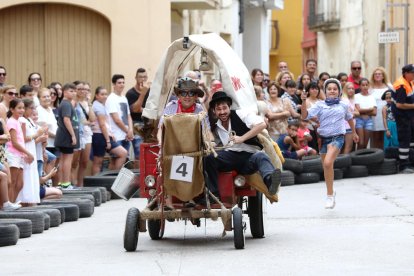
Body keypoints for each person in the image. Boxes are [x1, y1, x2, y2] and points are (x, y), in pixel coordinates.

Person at [205, 91, 281, 199]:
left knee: (261, 156)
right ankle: (213, 195)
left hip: (249, 156)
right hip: (230, 157)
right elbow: (216, 142)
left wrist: (242, 138)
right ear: (214, 110)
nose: (222, 112)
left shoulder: (240, 114)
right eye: (218, 109)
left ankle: (270, 181)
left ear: (229, 107)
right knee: (209, 158)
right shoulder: (215, 126)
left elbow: (262, 124)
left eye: (224, 108)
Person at [301, 78, 358, 209]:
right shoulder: (320, 105)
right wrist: (303, 101)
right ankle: (330, 194)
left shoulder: (343, 105)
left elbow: (350, 118)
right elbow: (304, 116)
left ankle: (329, 196)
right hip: (323, 139)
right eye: (329, 89)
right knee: (327, 167)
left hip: (337, 137)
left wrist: (354, 133)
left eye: (335, 89)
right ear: (325, 91)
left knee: (327, 163)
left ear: (339, 91)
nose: (332, 91)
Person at [157, 77, 207, 208]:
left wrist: (209, 143)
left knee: (195, 162)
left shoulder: (200, 110)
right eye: (183, 93)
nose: (187, 96)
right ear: (178, 95)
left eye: (191, 93)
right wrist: (161, 147)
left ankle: (189, 198)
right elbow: (161, 129)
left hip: (193, 149)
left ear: (196, 96)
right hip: (172, 148)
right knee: (165, 163)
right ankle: (168, 203)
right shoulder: (170, 108)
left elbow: (206, 131)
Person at [92, 86, 128, 175]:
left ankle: (111, 178)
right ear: (96, 96)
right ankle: (95, 182)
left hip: (106, 135)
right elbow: (102, 124)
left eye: (106, 94)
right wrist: (108, 140)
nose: (105, 96)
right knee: (98, 161)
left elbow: (106, 124)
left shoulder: (103, 106)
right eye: (102, 94)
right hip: (99, 136)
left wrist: (111, 134)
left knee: (122, 153)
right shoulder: (97, 106)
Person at [6, 99, 35, 202]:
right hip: (13, 154)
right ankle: (8, 204)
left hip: (20, 155)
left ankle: (12, 202)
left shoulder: (18, 121)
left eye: (23, 108)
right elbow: (14, 142)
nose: (22, 110)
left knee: (20, 184)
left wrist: (24, 153)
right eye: (19, 108)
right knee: (12, 181)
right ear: (12, 109)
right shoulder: (11, 122)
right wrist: (28, 153)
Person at [17, 99, 45, 206]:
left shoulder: (29, 120)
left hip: (32, 149)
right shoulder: (22, 120)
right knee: (26, 176)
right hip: (26, 150)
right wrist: (37, 134)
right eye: (31, 108)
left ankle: (31, 200)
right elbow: (23, 139)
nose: (33, 110)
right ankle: (24, 201)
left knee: (31, 176)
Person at [54, 83, 80, 189]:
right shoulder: (66, 104)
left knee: (64, 159)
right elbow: (66, 119)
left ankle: (62, 182)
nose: (73, 93)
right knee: (67, 159)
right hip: (66, 136)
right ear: (64, 92)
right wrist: (73, 135)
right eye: (71, 91)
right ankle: (65, 183)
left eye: (74, 91)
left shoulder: (68, 103)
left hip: (65, 136)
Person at [71, 81, 95, 187]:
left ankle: (80, 185)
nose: (83, 91)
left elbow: (93, 119)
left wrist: (89, 103)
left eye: (85, 89)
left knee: (85, 161)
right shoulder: (73, 102)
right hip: (77, 132)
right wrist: (86, 122)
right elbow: (74, 119)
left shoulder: (87, 103)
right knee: (74, 161)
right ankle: (73, 182)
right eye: (80, 89)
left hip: (87, 133)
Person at [391, 64, 414, 173]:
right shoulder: (401, 85)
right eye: (413, 72)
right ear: (406, 73)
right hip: (402, 117)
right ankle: (403, 165)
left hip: (409, 117)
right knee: (405, 140)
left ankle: (411, 162)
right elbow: (400, 105)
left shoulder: (409, 82)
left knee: (411, 140)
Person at [126, 68, 150, 163]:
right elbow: (135, 109)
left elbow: (153, 109)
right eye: (140, 77)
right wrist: (143, 94)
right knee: (139, 154)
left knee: (148, 153)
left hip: (149, 125)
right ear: (136, 78)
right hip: (136, 125)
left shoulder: (150, 92)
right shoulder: (130, 93)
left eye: (144, 77)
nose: (143, 79)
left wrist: (143, 110)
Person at [106, 74, 133, 155]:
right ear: (114, 84)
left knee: (124, 162)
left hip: (126, 135)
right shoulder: (111, 98)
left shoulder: (124, 98)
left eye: (123, 82)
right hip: (116, 136)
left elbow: (128, 115)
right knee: (117, 160)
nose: (122, 84)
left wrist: (131, 130)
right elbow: (116, 120)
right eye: (119, 83)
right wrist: (128, 131)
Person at [369, 67, 391, 149]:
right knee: (375, 137)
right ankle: (376, 156)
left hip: (386, 115)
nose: (377, 75)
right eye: (376, 74)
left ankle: (384, 156)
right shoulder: (370, 88)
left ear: (383, 76)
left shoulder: (388, 86)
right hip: (374, 115)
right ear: (373, 76)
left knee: (385, 136)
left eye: (379, 74)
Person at [355, 78, 377, 149]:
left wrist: (363, 112)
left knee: (365, 143)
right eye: (363, 85)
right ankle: (357, 159)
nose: (365, 87)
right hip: (359, 120)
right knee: (360, 143)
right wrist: (369, 109)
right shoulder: (356, 96)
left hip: (369, 121)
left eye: (366, 85)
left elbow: (374, 112)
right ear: (360, 86)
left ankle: (363, 159)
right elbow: (358, 110)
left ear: (368, 86)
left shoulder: (372, 97)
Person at [341, 82, 359, 153]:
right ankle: (344, 163)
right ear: (345, 90)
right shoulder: (344, 100)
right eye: (349, 88)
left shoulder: (352, 100)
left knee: (345, 147)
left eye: (352, 88)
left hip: (350, 125)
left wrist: (353, 113)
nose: (351, 90)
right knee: (348, 147)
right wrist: (353, 114)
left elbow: (358, 113)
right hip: (347, 126)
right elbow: (347, 114)